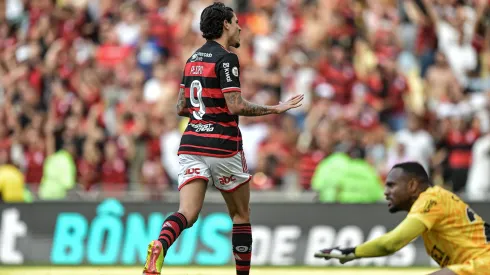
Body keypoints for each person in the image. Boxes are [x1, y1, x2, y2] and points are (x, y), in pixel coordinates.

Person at [142, 2, 303, 275]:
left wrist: (204, 109)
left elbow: (181, 106)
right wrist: (275, 108)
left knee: (187, 213)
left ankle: (160, 245)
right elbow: (236, 105)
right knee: (240, 215)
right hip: (222, 145)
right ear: (226, 24)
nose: (240, 27)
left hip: (192, 142)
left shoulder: (192, 60)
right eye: (237, 21)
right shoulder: (227, 58)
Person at [315, 162, 490, 275]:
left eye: (392, 185)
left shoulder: (431, 199)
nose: (386, 192)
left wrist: (352, 252)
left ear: (412, 185)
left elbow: (391, 243)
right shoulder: (432, 207)